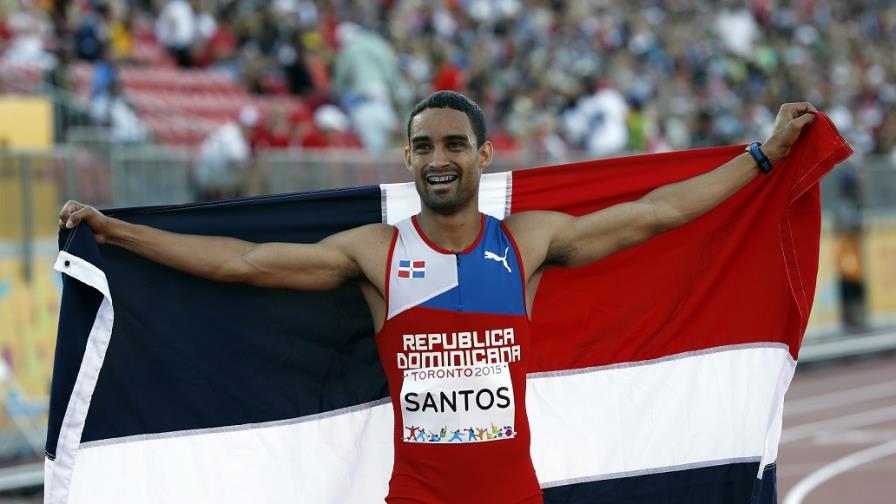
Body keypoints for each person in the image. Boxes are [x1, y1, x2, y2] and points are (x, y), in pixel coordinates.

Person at [59, 91, 817, 503]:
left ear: (483, 155)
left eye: (455, 144)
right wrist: (120, 235)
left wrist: (761, 157)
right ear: (410, 158)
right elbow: (244, 263)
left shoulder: (527, 242)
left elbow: (658, 214)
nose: (439, 158)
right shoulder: (378, 253)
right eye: (424, 146)